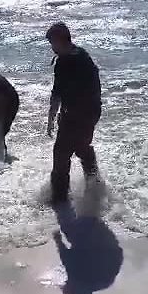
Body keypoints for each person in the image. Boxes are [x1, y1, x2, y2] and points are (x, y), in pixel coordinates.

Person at [45, 22, 102, 203]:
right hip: (82, 113)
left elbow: (60, 93)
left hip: (82, 114)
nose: (52, 48)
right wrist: (54, 117)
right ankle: (95, 188)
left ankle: (59, 200)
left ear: (60, 40)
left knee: (61, 154)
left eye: (52, 43)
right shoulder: (74, 57)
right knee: (80, 148)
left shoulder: (74, 60)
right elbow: (60, 93)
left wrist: (53, 118)